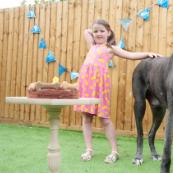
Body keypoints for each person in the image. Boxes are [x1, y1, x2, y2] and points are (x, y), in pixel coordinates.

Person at [62, 19, 161, 164]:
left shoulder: (111, 48)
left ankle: (114, 151)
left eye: (102, 31)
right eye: (96, 31)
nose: (98, 33)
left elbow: (130, 55)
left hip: (100, 86)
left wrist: (148, 54)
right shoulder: (92, 45)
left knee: (105, 119)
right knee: (86, 117)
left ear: (109, 32)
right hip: (86, 84)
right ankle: (89, 149)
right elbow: (86, 32)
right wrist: (96, 29)